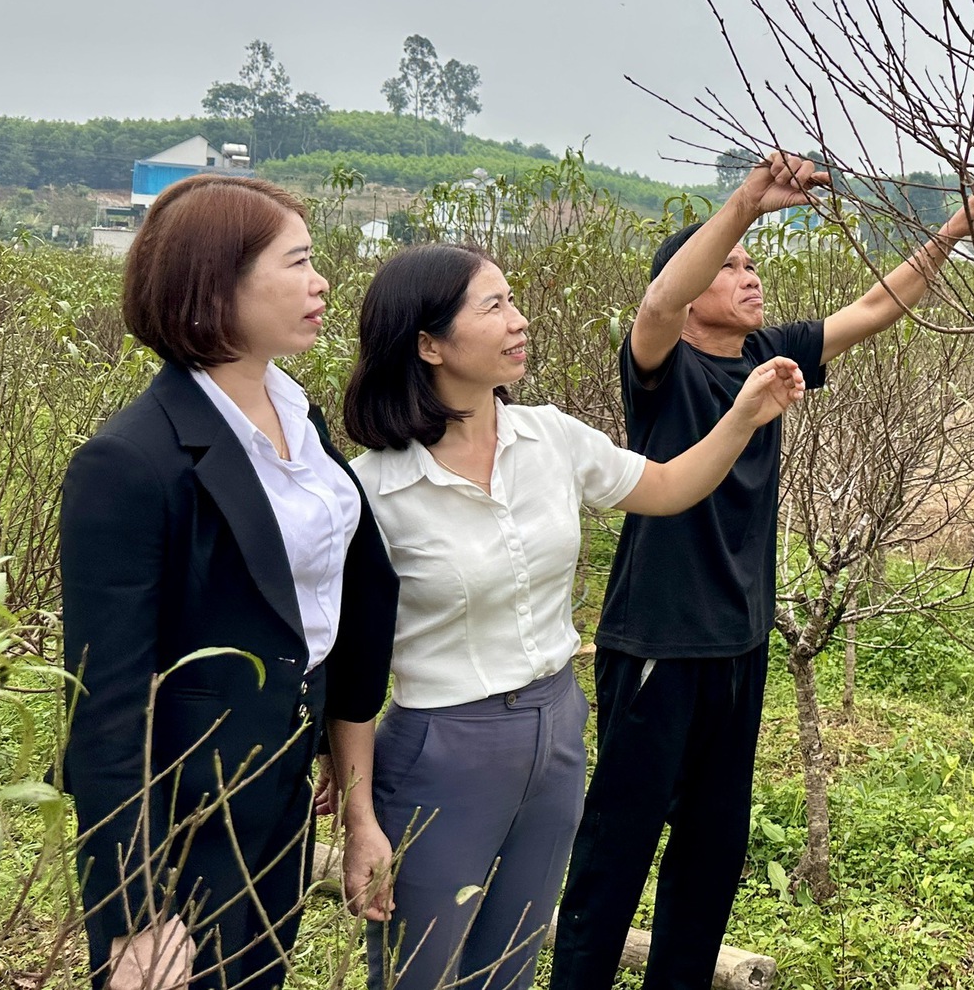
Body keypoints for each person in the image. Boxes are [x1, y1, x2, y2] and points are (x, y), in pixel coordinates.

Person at [550, 153, 974, 990]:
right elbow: (655, 304)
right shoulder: (661, 368)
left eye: (752, 264)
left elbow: (876, 306)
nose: (748, 273)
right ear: (689, 291)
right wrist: (747, 208)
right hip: (658, 639)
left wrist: (951, 234)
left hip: (739, 644)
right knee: (618, 844)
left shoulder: (766, 354)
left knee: (714, 848)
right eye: (727, 268)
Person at [337, 243, 809, 990]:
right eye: (493, 307)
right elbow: (351, 669)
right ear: (429, 343)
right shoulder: (370, 493)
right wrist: (359, 812)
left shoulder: (548, 437)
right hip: (441, 750)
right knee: (421, 974)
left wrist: (744, 415)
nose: (520, 322)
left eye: (513, 301)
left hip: (556, 736)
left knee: (511, 965)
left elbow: (667, 485)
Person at [59, 174, 399, 990]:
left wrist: (345, 781)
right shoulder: (130, 463)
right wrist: (133, 916)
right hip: (187, 818)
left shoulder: (297, 416)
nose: (322, 283)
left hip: (278, 792)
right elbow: (105, 706)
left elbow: (328, 600)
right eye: (299, 262)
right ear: (218, 286)